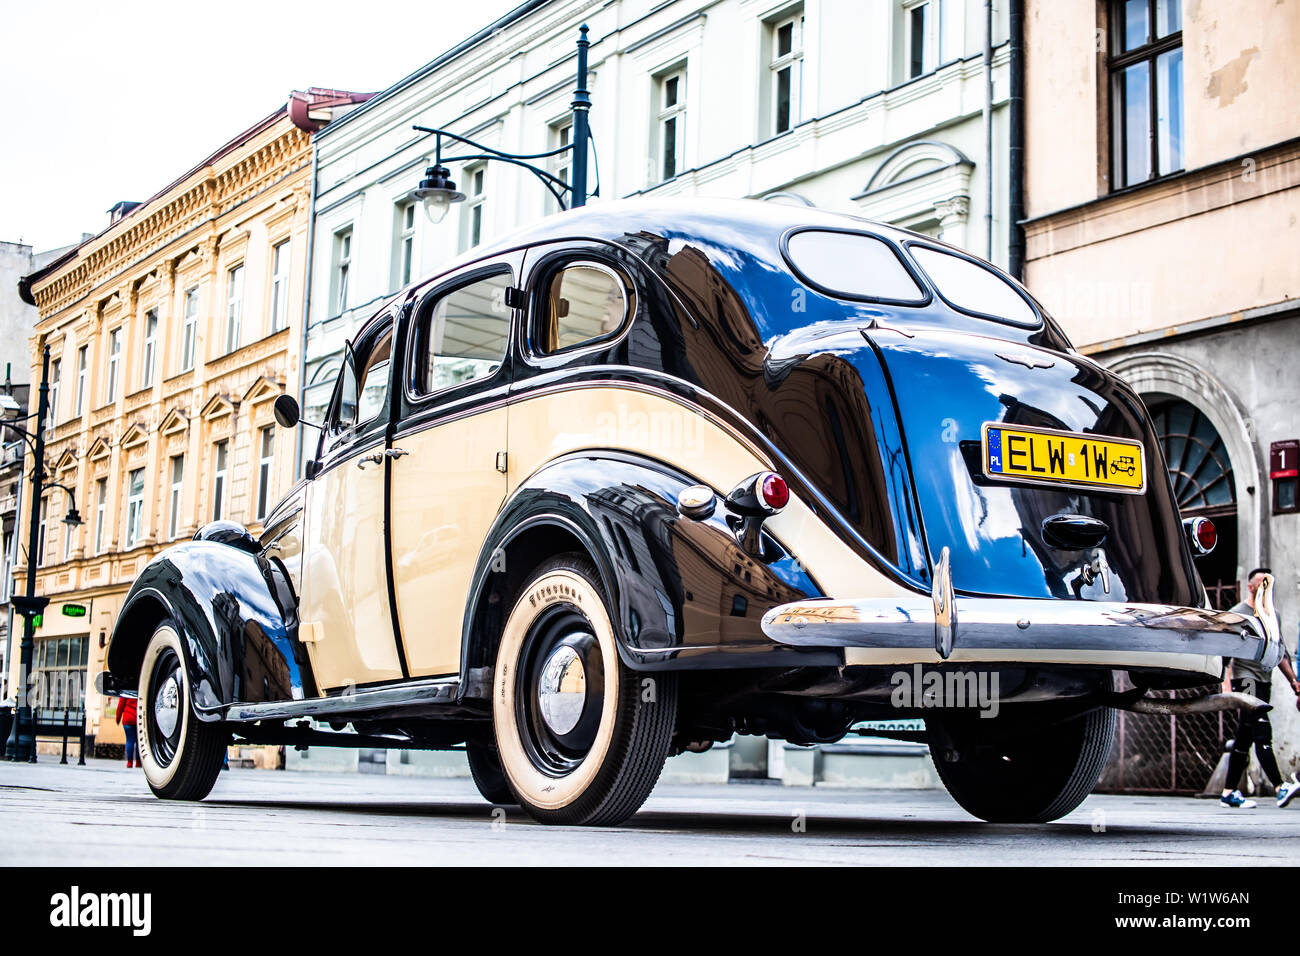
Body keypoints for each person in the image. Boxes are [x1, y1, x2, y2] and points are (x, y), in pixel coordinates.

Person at [1219, 568, 1300, 809]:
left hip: (1264, 681)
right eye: (1262, 583)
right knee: (1262, 730)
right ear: (1251, 587)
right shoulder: (1237, 615)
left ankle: (1228, 792)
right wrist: (1225, 687)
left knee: (1244, 737)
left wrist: (1294, 682)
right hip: (1245, 680)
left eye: (1269, 583)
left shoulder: (1272, 614)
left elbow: (1280, 651)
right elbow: (1225, 655)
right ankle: (1280, 786)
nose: (1266, 587)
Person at [115, 693, 139, 769]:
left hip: (127, 719)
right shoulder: (141, 690)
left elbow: (120, 705)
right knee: (139, 742)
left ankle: (129, 762)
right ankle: (138, 762)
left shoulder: (127, 692)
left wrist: (118, 718)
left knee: (129, 741)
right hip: (139, 719)